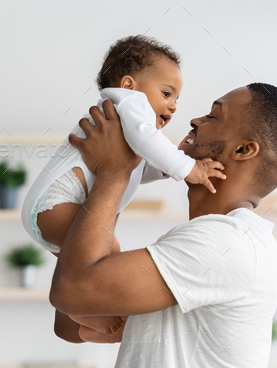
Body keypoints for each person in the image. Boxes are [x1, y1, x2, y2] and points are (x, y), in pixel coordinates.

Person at [49, 82, 277, 368]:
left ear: (242, 150)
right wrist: (119, 174)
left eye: (213, 116)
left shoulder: (225, 243)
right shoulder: (204, 241)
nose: (195, 121)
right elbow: (72, 321)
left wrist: (115, 171)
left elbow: (73, 291)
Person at [21, 36, 225, 341]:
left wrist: (176, 167)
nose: (173, 105)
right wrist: (189, 169)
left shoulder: (128, 123)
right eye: (167, 93)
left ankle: (85, 322)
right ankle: (100, 316)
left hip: (51, 212)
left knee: (83, 269)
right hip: (57, 204)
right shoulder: (129, 104)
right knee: (107, 256)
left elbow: (139, 167)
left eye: (176, 99)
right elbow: (146, 143)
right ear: (129, 85)